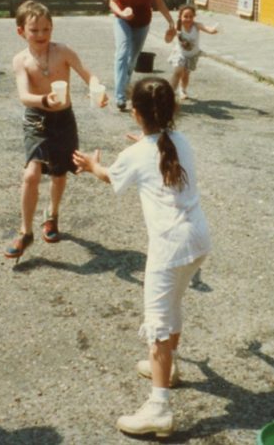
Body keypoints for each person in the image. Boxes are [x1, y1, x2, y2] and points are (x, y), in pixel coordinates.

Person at [73, 78, 210, 438]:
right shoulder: (180, 141)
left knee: (157, 325)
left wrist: (89, 165)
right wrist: (147, 144)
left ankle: (159, 409)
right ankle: (171, 368)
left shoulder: (137, 154)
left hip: (169, 247)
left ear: (135, 114)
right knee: (174, 304)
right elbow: (159, 154)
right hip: (197, 240)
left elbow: (109, 176)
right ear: (172, 111)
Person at [5, 0, 106, 261]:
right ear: (21, 31)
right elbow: (24, 96)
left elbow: (88, 74)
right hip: (37, 119)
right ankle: (25, 231)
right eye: (34, 30)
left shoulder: (63, 52)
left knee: (60, 174)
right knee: (31, 174)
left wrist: (98, 90)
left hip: (64, 119)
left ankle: (51, 216)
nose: (41, 35)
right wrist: (44, 101)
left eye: (46, 29)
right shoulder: (21, 60)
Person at [109, 0, 177, 111]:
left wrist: (171, 21)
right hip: (123, 19)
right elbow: (112, 1)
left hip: (142, 22)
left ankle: (125, 85)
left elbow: (159, 2)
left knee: (132, 59)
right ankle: (120, 97)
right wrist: (121, 13)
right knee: (122, 52)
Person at [164, 5, 219, 101]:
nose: (188, 19)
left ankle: (182, 90)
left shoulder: (196, 26)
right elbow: (168, 40)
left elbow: (208, 29)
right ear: (180, 17)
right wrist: (167, 35)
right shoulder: (178, 27)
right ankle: (170, 94)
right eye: (185, 16)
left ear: (194, 17)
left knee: (185, 75)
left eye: (191, 16)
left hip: (192, 55)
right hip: (180, 53)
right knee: (178, 72)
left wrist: (214, 30)